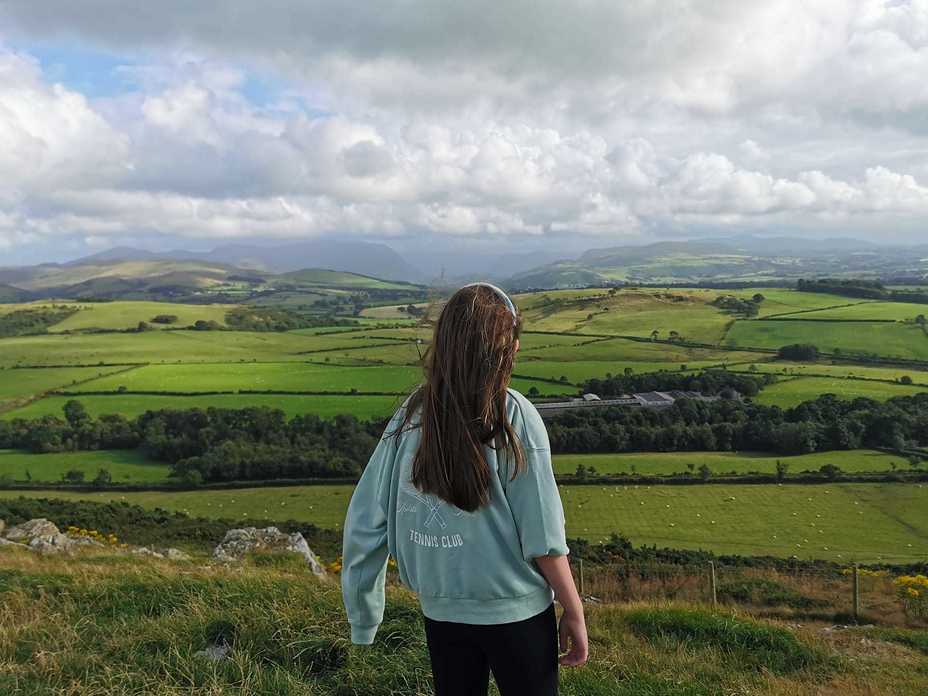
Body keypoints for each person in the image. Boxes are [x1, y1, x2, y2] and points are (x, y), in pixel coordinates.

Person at [341, 282, 588, 696]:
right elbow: (543, 534)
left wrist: (363, 612)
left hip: (442, 612)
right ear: (504, 350)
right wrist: (574, 609)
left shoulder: (413, 414)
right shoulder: (514, 416)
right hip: (518, 613)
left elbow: (367, 518)